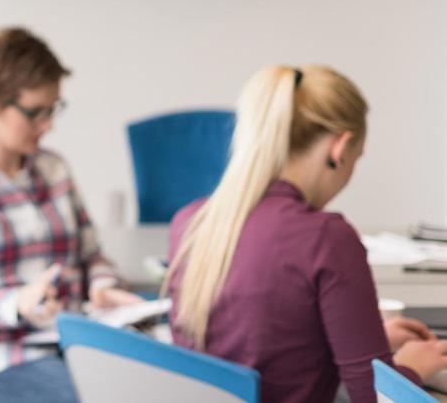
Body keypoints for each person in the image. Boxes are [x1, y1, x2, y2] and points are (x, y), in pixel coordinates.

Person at [166, 65, 447, 402]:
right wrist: (412, 367)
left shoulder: (191, 222)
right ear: (339, 149)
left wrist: (364, 341)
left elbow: (258, 349)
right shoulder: (327, 238)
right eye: (357, 158)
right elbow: (370, 398)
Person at [0, 27, 142, 402]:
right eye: (35, 113)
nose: (48, 125)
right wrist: (16, 305)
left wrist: (103, 286)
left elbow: (92, 256)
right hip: (5, 356)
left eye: (53, 109)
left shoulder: (54, 169)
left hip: (78, 341)